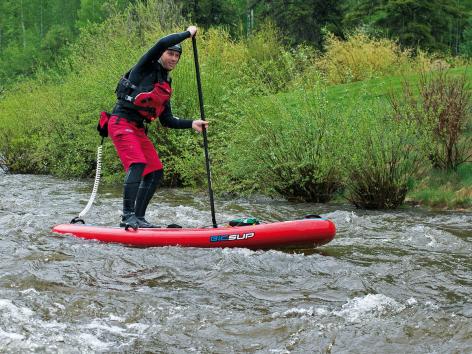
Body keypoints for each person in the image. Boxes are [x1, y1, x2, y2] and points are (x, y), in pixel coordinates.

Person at [109, 25, 208, 229]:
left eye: (176, 56)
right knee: (137, 163)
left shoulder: (166, 85)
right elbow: (162, 41)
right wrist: (188, 34)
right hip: (120, 122)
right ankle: (127, 217)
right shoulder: (145, 66)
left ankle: (139, 218)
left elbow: (167, 120)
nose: (173, 58)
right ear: (162, 54)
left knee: (155, 172)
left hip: (136, 128)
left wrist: (192, 123)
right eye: (170, 53)